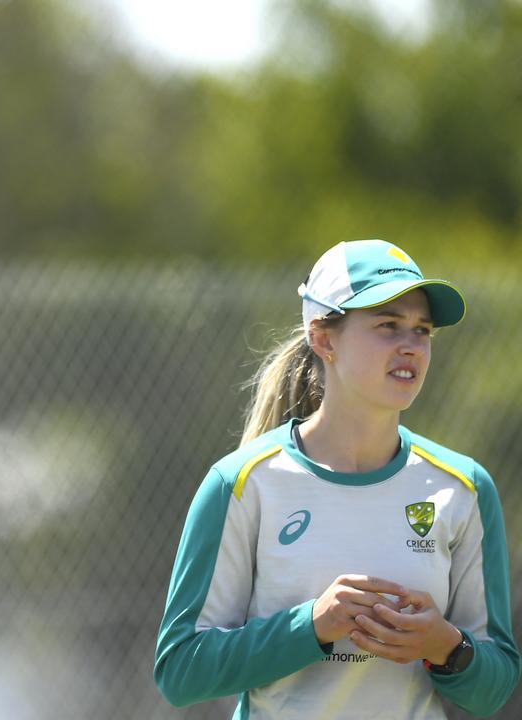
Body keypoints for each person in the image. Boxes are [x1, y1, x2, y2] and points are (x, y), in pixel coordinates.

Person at [154, 239, 520, 717]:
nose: (411, 346)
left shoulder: (464, 488)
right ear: (324, 339)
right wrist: (313, 625)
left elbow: (494, 686)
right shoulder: (241, 483)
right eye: (389, 326)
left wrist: (447, 646)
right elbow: (181, 672)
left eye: (423, 330)